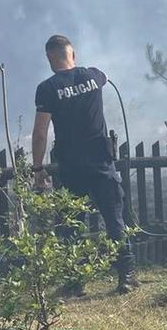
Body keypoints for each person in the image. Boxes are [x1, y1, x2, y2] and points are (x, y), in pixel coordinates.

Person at [32, 34, 135, 293]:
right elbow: (105, 77)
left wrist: (37, 169)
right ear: (73, 54)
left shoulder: (47, 89)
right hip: (102, 162)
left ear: (49, 58)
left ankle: (75, 282)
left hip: (71, 167)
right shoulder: (94, 76)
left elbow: (40, 133)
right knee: (114, 221)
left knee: (70, 225)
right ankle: (127, 277)